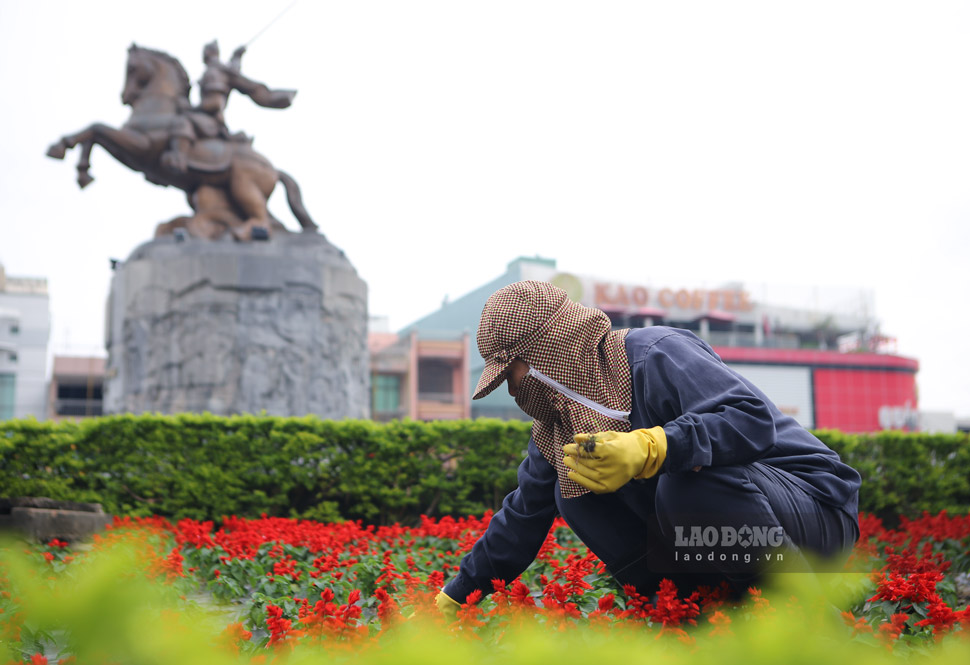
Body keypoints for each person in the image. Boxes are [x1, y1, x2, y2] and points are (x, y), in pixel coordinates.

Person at [435, 280, 861, 612]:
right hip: (735, 534)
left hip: (814, 509)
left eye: (512, 372)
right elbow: (522, 517)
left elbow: (751, 420)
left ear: (547, 350)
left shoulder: (655, 354)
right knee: (576, 494)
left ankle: (802, 612)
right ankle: (689, 614)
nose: (511, 389)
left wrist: (653, 447)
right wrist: (456, 596)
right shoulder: (557, 427)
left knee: (685, 483)